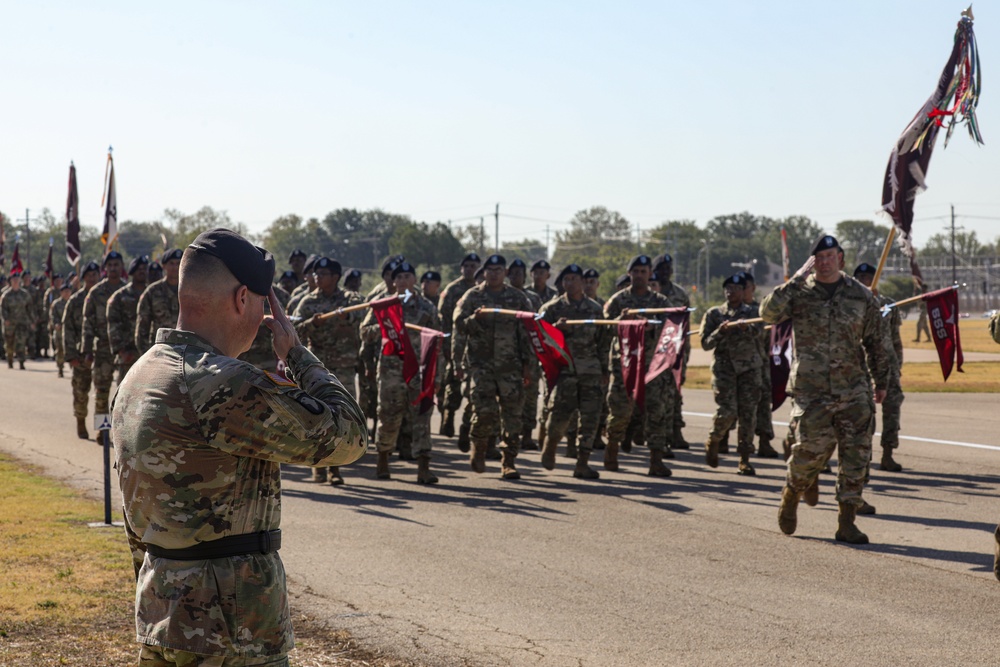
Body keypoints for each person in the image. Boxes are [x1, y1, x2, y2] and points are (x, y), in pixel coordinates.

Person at [111, 228, 368, 666]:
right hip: (231, 629)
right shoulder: (221, 382)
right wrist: (300, 357)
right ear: (241, 300)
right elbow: (349, 437)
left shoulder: (139, 375)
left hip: (164, 609)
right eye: (264, 305)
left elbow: (138, 517)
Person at [760, 235, 888, 545]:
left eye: (831, 255)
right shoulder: (799, 294)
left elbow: (878, 342)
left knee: (856, 456)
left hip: (853, 388)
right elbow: (768, 313)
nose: (825, 261)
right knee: (808, 454)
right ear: (812, 261)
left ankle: (847, 521)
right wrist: (795, 279)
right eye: (819, 256)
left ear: (841, 259)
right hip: (812, 390)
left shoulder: (861, 296)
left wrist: (882, 380)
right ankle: (792, 492)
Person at [453, 254, 533, 479]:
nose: (495, 273)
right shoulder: (472, 297)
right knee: (484, 412)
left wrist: (528, 365)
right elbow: (459, 326)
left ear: (505, 273)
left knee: (512, 415)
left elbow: (526, 333)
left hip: (510, 367)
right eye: (490, 270)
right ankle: (478, 448)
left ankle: (508, 461)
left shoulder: (517, 298)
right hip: (482, 365)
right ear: (484, 272)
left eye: (499, 269)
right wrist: (474, 320)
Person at [360, 261, 442, 483]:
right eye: (399, 277)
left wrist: (438, 376)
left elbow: (438, 343)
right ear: (393, 282)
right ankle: (383, 461)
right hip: (391, 369)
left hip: (420, 369)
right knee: (388, 415)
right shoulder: (383, 306)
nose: (404, 280)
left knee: (422, 417)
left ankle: (424, 467)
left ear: (415, 280)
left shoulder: (427, 307)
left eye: (408, 276)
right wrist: (386, 327)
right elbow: (365, 332)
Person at [293, 257, 365, 485]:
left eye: (323, 273)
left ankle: (335, 468)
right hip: (316, 368)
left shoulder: (350, 300)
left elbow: (365, 316)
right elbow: (292, 329)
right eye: (316, 274)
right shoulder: (307, 302)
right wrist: (312, 325)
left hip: (343, 367)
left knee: (342, 416)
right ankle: (318, 465)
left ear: (335, 277)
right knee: (316, 416)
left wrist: (349, 316)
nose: (317, 277)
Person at [603, 255, 674, 477]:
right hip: (624, 364)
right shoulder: (617, 301)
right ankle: (612, 449)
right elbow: (605, 329)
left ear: (650, 274)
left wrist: (653, 327)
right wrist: (621, 324)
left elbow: (670, 330)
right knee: (620, 410)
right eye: (636, 272)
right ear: (629, 274)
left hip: (652, 366)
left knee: (656, 412)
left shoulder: (661, 302)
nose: (640, 276)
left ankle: (655, 460)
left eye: (644, 272)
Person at [539, 264, 611, 479]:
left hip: (590, 370)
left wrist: (604, 369)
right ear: (562, 283)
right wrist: (555, 329)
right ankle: (551, 444)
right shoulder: (551, 308)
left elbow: (603, 341)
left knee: (590, 417)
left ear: (582, 282)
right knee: (560, 414)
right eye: (566, 279)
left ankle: (582, 463)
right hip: (565, 371)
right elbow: (539, 337)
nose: (570, 283)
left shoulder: (595, 309)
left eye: (574, 279)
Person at [700, 273, 763, 476]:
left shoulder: (754, 311)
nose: (731, 292)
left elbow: (761, 332)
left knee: (748, 415)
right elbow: (705, 343)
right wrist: (720, 332)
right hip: (724, 370)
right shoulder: (714, 314)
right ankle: (714, 439)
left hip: (749, 370)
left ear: (744, 291)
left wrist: (747, 328)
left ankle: (744, 459)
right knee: (727, 411)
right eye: (727, 289)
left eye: (736, 289)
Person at [852, 263, 905, 473]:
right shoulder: (851, 305)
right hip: (861, 365)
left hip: (888, 365)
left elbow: (895, 338)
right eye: (861, 276)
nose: (865, 280)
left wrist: (898, 365)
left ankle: (888, 454)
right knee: (864, 414)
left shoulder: (888, 305)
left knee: (892, 408)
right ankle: (864, 457)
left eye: (869, 276)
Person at [437, 252, 481, 439]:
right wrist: (447, 345)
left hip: (475, 347)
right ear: (461, 268)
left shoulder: (481, 290)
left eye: (474, 266)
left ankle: (467, 424)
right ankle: (449, 415)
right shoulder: (452, 289)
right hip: (454, 343)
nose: (470, 269)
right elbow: (443, 319)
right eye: (467, 266)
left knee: (473, 388)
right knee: (453, 384)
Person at [82, 251, 127, 433]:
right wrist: (87, 350)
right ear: (105, 268)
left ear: (122, 267)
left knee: (125, 394)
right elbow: (87, 323)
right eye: (110, 265)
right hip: (102, 351)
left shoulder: (128, 291)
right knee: (102, 393)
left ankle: (122, 433)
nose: (114, 268)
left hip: (125, 352)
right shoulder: (96, 293)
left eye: (117, 264)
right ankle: (104, 432)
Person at [740, 271, 780, 459]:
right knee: (733, 407)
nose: (740, 291)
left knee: (763, 404)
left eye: (744, 287)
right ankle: (722, 440)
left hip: (760, 364)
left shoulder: (761, 311)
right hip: (735, 368)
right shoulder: (728, 311)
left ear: (752, 288)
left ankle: (764, 441)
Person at [63, 261, 101, 439]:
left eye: (95, 275)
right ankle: (80, 420)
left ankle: (103, 429)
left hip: (101, 354)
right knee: (81, 391)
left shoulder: (104, 297)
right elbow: (67, 328)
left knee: (102, 393)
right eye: (89, 276)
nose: (93, 279)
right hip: (80, 354)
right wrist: (71, 355)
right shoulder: (75, 300)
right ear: (84, 278)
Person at [107, 255, 149, 378]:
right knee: (126, 395)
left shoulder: (152, 294)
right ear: (132, 272)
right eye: (138, 269)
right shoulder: (120, 296)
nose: (142, 271)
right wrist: (121, 350)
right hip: (128, 355)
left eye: (144, 268)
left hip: (149, 354)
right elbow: (113, 324)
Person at [135, 249, 182, 354]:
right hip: (160, 351)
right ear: (164, 266)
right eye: (172, 263)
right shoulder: (152, 292)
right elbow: (142, 327)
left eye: (179, 263)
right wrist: (144, 354)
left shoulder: (190, 291)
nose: (175, 267)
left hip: (186, 351)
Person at [1, 270, 35, 370]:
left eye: (17, 280)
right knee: (9, 343)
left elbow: (30, 308)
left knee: (21, 342)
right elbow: (3, 309)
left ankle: (21, 361)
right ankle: (10, 359)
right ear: (11, 281)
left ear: (20, 281)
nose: (16, 282)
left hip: (22, 323)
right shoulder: (6, 295)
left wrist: (32, 320)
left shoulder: (25, 294)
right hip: (10, 324)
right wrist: (6, 319)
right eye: (14, 280)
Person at [49, 283, 73, 378]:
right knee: (60, 350)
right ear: (61, 293)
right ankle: (60, 368)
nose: (67, 293)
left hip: (71, 331)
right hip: (60, 331)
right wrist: (56, 324)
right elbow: (53, 316)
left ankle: (74, 368)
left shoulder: (73, 302)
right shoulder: (56, 304)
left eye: (68, 291)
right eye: (65, 291)